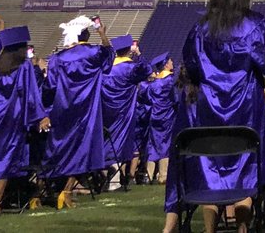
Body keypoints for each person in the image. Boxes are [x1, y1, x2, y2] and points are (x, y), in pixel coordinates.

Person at [172, 0, 265, 233]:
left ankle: (211, 230)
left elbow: (193, 67)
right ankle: (243, 228)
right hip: (245, 106)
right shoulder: (254, 25)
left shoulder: (201, 28)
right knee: (244, 163)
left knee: (210, 166)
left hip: (208, 107)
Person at [44, 14, 113, 210]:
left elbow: (49, 87)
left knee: (57, 147)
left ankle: (40, 192)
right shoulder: (92, 52)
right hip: (85, 108)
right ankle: (66, 191)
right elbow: (108, 55)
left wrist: (47, 110)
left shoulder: (57, 58)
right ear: (86, 36)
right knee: (80, 148)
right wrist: (102, 35)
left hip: (61, 107)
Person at [0, 24, 47, 216]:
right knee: (4, 160)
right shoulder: (24, 68)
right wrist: (41, 116)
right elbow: (31, 94)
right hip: (9, 119)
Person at [101, 35, 152, 187]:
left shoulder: (107, 68)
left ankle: (106, 173)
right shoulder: (130, 68)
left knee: (106, 139)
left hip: (106, 109)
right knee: (119, 141)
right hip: (124, 109)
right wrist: (139, 55)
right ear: (129, 50)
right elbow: (147, 70)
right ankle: (114, 180)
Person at [141, 53, 175, 184]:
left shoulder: (154, 83)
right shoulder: (169, 81)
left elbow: (145, 96)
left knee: (153, 143)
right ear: (166, 64)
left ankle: (149, 174)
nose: (172, 63)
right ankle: (163, 175)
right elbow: (175, 99)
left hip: (154, 116)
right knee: (165, 143)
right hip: (167, 117)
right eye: (171, 61)